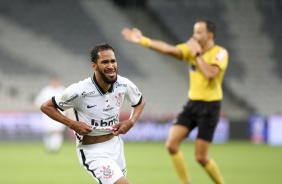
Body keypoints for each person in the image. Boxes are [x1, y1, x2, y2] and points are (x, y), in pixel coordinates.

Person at [121, 19, 228, 184]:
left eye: (199, 32)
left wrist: (197, 54)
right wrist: (143, 41)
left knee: (201, 157)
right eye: (194, 32)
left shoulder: (220, 53)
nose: (195, 36)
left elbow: (210, 74)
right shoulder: (191, 50)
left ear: (210, 35)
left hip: (210, 106)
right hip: (193, 104)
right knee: (171, 144)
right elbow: (167, 49)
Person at [40, 43, 145, 184]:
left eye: (113, 61)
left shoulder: (123, 84)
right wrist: (72, 124)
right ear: (94, 66)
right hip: (94, 152)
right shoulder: (80, 90)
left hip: (116, 145)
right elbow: (46, 106)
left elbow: (139, 101)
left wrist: (131, 122)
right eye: (105, 62)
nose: (111, 65)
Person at [34, 76, 69, 153]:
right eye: (53, 81)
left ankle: (55, 148)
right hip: (47, 114)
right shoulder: (46, 90)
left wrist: (67, 113)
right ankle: (48, 147)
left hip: (60, 113)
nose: (55, 83)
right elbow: (39, 101)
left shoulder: (63, 90)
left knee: (57, 131)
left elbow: (68, 103)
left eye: (56, 81)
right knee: (48, 131)